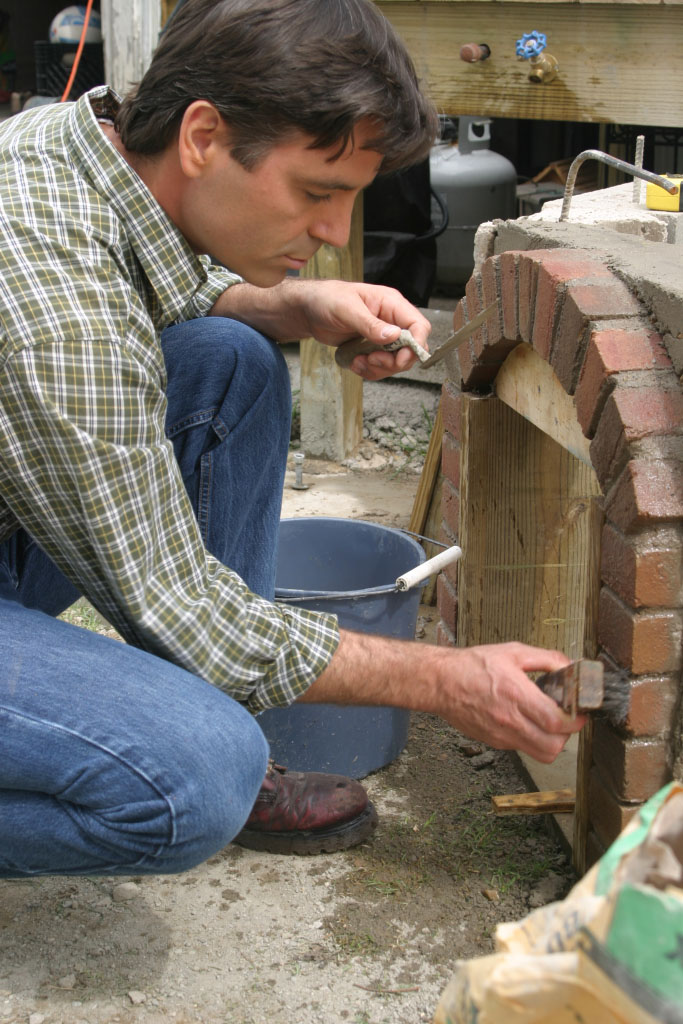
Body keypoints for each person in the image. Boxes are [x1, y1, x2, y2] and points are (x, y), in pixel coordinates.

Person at [0, 0, 585, 877]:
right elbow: (181, 603)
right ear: (202, 135)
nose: (331, 232)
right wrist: (447, 680)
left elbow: (138, 269)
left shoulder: (74, 147)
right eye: (317, 192)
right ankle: (215, 741)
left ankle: (214, 716)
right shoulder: (59, 315)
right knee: (199, 773)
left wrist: (284, 306)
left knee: (233, 359)